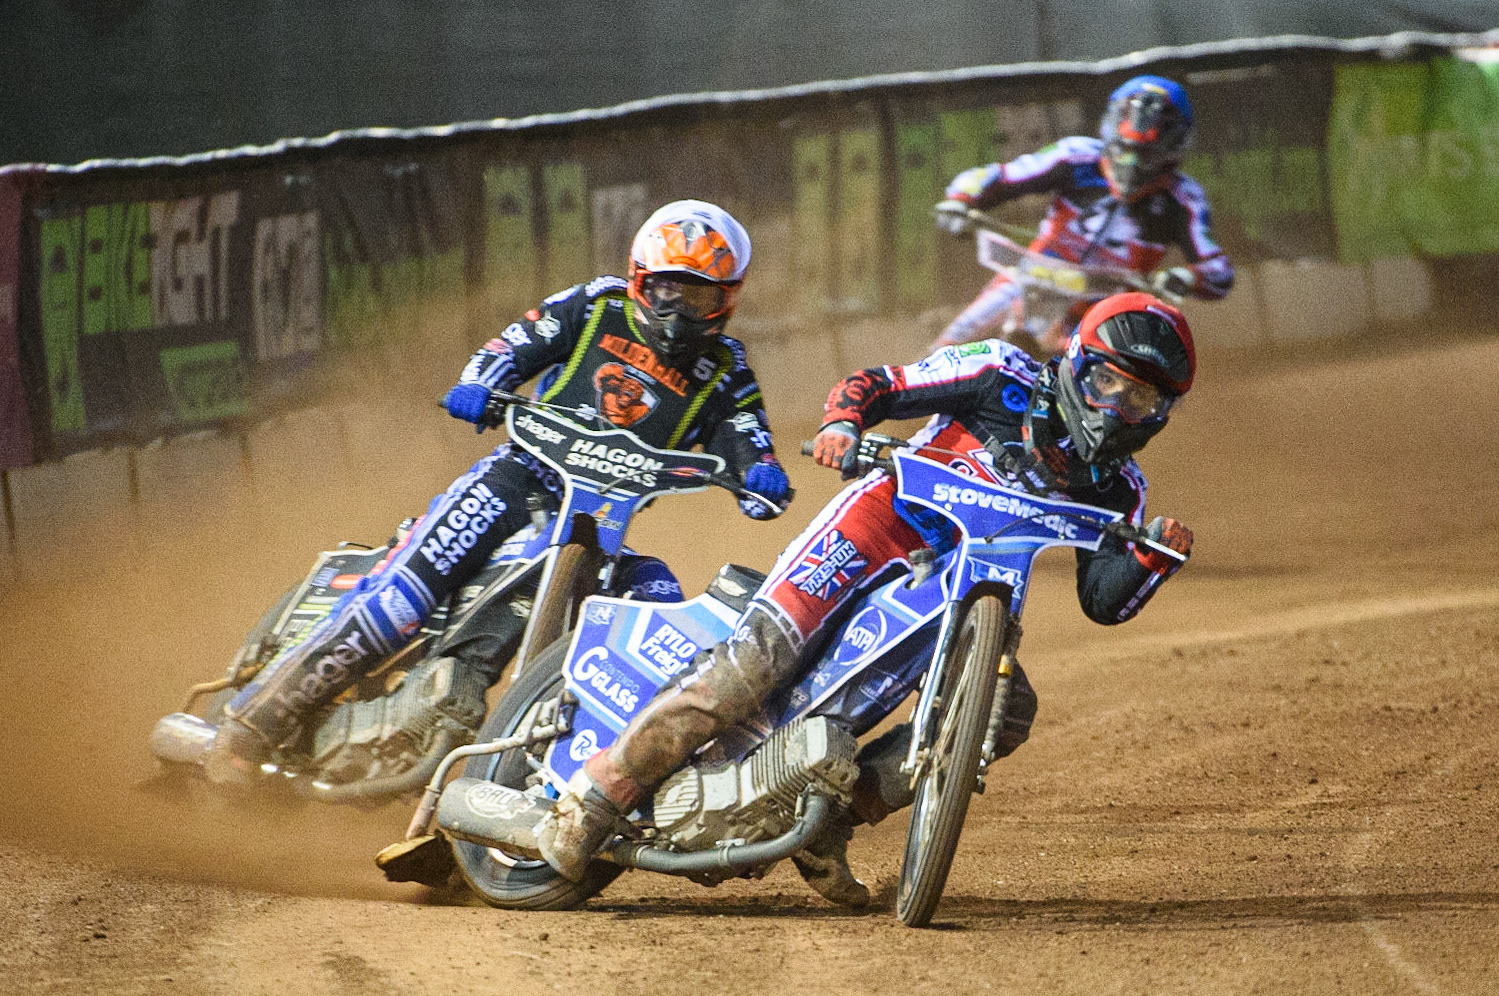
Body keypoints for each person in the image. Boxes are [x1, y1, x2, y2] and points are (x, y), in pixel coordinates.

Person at [535, 292, 1198, 905]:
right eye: (1104, 382)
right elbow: (882, 385)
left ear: (1159, 416)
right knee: (754, 664)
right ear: (1075, 364)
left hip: (960, 591)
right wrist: (844, 424)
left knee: (1008, 709)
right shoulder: (1002, 372)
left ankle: (834, 820)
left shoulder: (1118, 489)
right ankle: (596, 795)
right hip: (874, 530)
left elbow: (1102, 601)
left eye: (1137, 399)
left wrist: (1148, 558)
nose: (1114, 407)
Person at [203, 200, 792, 786]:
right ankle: (250, 724)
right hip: (518, 479)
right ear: (640, 278)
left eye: (699, 297)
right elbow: (509, 347)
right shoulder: (596, 305)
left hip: (603, 522)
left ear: (728, 298)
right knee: (403, 597)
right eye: (667, 290)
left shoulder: (726, 370)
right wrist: (481, 383)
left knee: (658, 597)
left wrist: (760, 476)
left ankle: (595, 779)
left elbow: (750, 441)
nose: (678, 312)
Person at [932, 74, 1233, 354]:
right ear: (1110, 136)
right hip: (1030, 278)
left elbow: (1218, 271)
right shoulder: (1075, 157)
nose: (1131, 165)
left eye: (1146, 156)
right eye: (1124, 151)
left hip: (1102, 313)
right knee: (947, 349)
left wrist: (1185, 278)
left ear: (1172, 153)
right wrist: (960, 201)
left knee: (1086, 387)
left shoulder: (1183, 198)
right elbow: (998, 176)